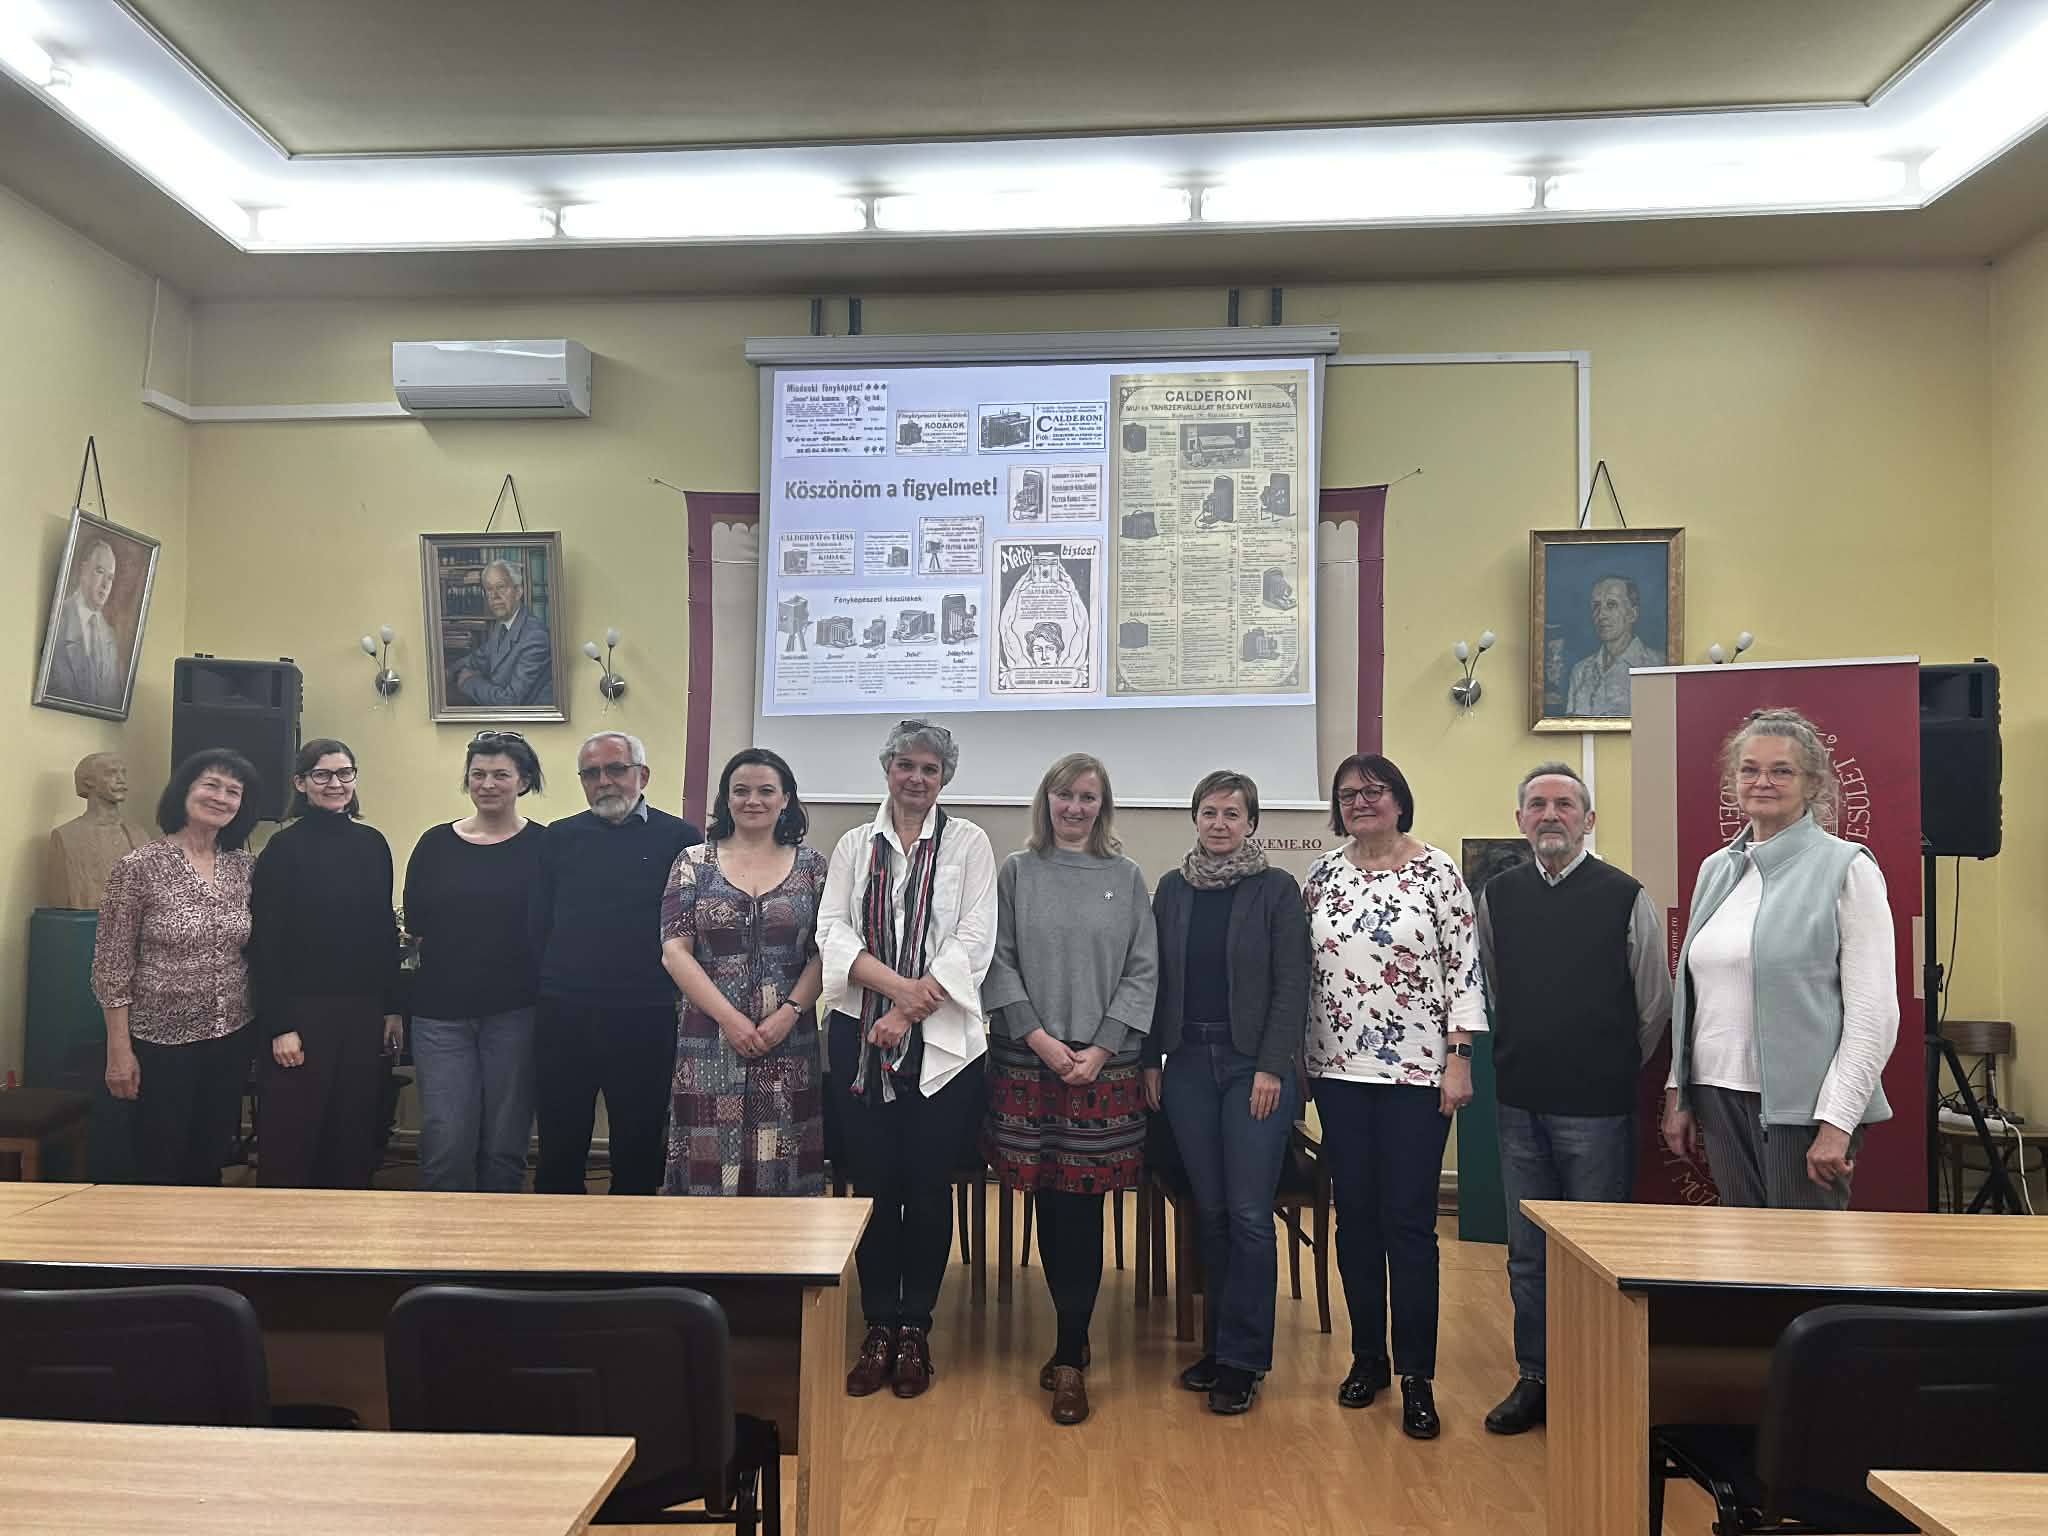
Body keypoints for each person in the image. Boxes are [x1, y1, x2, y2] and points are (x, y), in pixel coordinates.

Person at [1474, 762, 1672, 1435]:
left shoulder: (1625, 895)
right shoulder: (1498, 896)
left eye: (1564, 804)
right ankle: (1536, 1376)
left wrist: (1603, 1064)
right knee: (1528, 1255)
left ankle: (1595, 1381)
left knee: (1594, 1255)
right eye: (1537, 805)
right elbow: (1496, 985)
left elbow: (1653, 1004)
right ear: (1520, 819)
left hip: (1598, 1110)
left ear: (1588, 820)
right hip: (1519, 1104)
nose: (1550, 815)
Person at [1302, 753, 1483, 1440]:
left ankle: (1416, 1375)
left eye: (1374, 791)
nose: (1361, 801)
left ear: (1400, 800)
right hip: (1336, 1070)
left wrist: (1459, 1060)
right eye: (1348, 793)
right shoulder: (1322, 874)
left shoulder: (1437, 871)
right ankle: (1367, 1358)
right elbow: (1303, 972)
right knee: (1356, 1221)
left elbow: (1464, 972)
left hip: (1418, 1074)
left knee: (1407, 1224)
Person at [818, 720, 996, 1401]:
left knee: (925, 1186)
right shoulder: (853, 844)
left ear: (944, 777)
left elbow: (974, 939)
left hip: (943, 1046)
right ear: (887, 769)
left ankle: (915, 1326)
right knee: (871, 1185)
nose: (916, 778)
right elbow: (832, 931)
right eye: (906, 766)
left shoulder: (969, 843)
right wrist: (896, 993)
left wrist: (908, 1012)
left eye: (929, 768)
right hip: (860, 1037)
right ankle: (877, 1326)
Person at [1661, 708, 1898, 1210]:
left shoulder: (1847, 869)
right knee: (1740, 1250)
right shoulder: (1715, 870)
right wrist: (1678, 1091)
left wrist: (1838, 1123)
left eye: (1781, 770)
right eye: (1749, 769)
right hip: (1716, 1097)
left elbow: (1874, 1016)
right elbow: (1694, 999)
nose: (1762, 782)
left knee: (1804, 1254)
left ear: (1812, 783)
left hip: (1805, 1111)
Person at [982, 752, 1157, 1428]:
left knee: (1083, 1208)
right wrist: (1043, 1042)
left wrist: (1102, 1047)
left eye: (1087, 797)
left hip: (1104, 1068)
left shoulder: (1127, 875)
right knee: (1049, 1201)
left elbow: (1143, 970)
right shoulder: (1016, 872)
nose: (1075, 807)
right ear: (1046, 801)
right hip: (1031, 1062)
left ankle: (1070, 1353)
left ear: (1102, 806)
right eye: (1064, 795)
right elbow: (997, 961)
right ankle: (1070, 1333)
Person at [1143, 769, 1308, 1416]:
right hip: (1186, 1064)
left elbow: (1292, 983)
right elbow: (1152, 979)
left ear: (1252, 823)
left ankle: (1245, 1360)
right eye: (1209, 812)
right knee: (1208, 1212)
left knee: (1247, 1214)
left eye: (1232, 814)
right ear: (1195, 818)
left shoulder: (1276, 889)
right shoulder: (1172, 889)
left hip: (1251, 1070)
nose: (1219, 823)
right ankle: (1216, 1348)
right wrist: (1150, 1059)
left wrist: (1271, 1067)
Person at [530, 731, 702, 1195]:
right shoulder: (558, 838)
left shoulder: (681, 840)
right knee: (560, 1141)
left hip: (645, 1013)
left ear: (642, 775)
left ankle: (632, 1240)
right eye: (591, 773)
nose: (603, 781)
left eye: (615, 769)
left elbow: (691, 929)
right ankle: (555, 1237)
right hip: (564, 1012)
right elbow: (538, 921)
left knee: (640, 1143)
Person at [660, 748, 828, 1196]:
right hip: (708, 1041)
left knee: (782, 1166)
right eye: (741, 791)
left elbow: (825, 954)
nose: (753, 800)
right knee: (708, 1170)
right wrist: (731, 1020)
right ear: (726, 799)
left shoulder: (813, 867)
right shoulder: (693, 862)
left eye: (765, 790)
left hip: (788, 1041)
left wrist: (788, 1013)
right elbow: (675, 952)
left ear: (785, 799)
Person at [92, 750, 263, 1185]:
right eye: (211, 785)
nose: (221, 797)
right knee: (160, 1159)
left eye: (233, 791)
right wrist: (118, 1051)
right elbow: (111, 967)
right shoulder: (138, 867)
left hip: (231, 1035)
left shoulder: (245, 867)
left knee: (211, 1154)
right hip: (160, 1042)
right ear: (184, 791)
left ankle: (201, 1230)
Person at [247, 739, 404, 1189]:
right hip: (301, 1014)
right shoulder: (282, 849)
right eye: (322, 774)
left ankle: (347, 1226)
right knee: (292, 1138)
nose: (335, 783)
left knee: (352, 1132)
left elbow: (383, 931)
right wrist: (279, 1025)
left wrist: (392, 1007)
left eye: (344, 773)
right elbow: (266, 943)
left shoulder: (373, 844)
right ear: (301, 783)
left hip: (362, 1012)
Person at [402, 730, 548, 1192]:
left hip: (517, 1013)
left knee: (505, 1143)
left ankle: (498, 1236)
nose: (487, 784)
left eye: (500, 774)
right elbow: (416, 923)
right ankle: (444, 1236)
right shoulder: (435, 844)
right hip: (441, 1015)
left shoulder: (546, 846)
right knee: (446, 1139)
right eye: (478, 774)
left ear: (523, 781)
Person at [47, 752, 149, 909]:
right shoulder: (67, 836)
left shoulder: (140, 835)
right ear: (88, 781)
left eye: (123, 773)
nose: (121, 779)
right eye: (111, 773)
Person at [454, 559, 553, 707]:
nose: (495, 596)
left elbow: (510, 701)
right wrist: (449, 671)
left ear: (518, 592)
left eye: (501, 587)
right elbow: (479, 658)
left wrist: (469, 682)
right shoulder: (502, 625)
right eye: (489, 589)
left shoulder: (536, 637)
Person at [1564, 574, 1660, 718]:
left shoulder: (1656, 666)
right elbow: (1571, 726)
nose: (1601, 615)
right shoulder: (1580, 671)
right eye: (1596, 606)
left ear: (1633, 614)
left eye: (1611, 605)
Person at [46, 537, 122, 708]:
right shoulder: (57, 620)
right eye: (100, 571)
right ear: (83, 570)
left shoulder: (110, 637)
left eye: (110, 578)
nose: (105, 585)